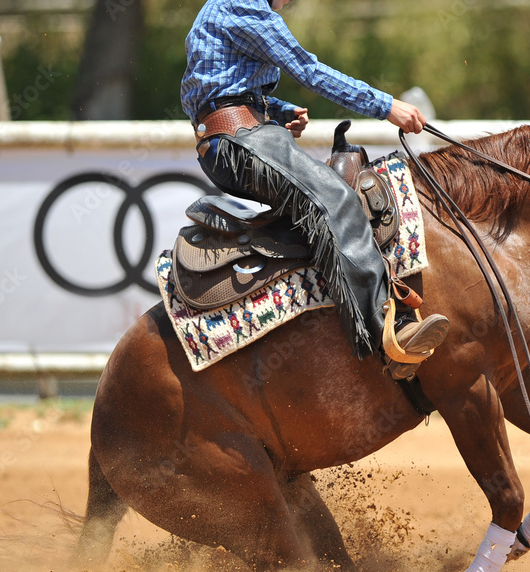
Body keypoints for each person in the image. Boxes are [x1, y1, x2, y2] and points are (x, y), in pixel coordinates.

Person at [181, 0, 449, 375]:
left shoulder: (228, 8)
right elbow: (310, 71)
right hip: (239, 138)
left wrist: (274, 110)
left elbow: (217, 87)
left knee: (326, 198)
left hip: (233, 134)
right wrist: (386, 106)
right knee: (336, 198)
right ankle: (388, 332)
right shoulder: (243, 4)